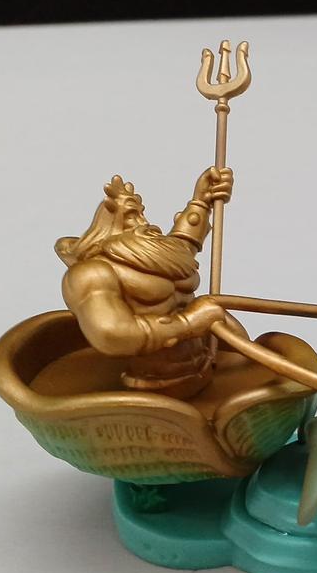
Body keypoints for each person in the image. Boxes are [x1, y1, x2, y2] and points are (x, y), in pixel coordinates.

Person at [54, 167, 233, 399]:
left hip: (207, 367)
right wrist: (188, 323)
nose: (143, 222)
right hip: (153, 389)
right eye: (131, 215)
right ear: (111, 223)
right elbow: (111, 333)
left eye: (141, 213)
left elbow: (182, 247)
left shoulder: (155, 256)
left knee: (273, 347)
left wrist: (202, 201)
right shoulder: (92, 273)